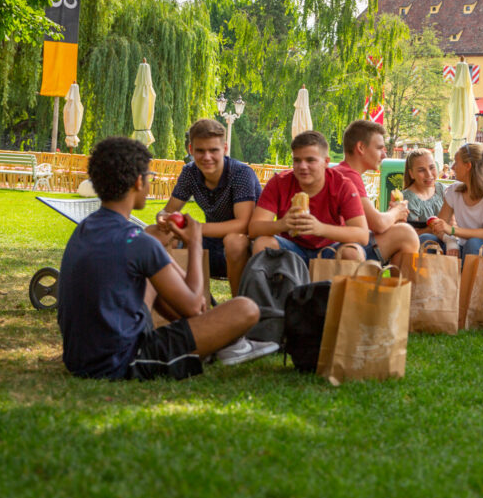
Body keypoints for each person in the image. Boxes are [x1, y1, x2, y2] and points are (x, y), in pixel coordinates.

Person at [57, 137, 274, 381]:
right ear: (139, 182)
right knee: (246, 308)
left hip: (78, 356)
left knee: (153, 272)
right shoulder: (139, 242)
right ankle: (218, 341)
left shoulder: (85, 228)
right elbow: (194, 305)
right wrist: (194, 242)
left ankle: (212, 337)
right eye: (149, 176)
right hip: (122, 360)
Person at [146, 119, 260, 297]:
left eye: (213, 150)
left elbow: (243, 224)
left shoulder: (240, 173)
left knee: (234, 241)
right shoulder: (190, 172)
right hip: (208, 242)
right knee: (154, 234)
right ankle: (177, 303)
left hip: (245, 248)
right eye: (200, 150)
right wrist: (163, 217)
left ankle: (240, 304)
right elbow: (169, 210)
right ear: (191, 150)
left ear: (224, 149)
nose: (207, 157)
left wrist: (195, 229)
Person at [249, 130, 369, 263]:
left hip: (330, 248)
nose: (302, 166)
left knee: (352, 253)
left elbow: (362, 235)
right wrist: (282, 225)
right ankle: (267, 284)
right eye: (297, 160)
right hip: (291, 247)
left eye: (310, 160)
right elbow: (254, 228)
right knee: (262, 244)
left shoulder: (342, 185)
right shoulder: (279, 182)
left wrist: (320, 228)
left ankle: (340, 284)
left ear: (326, 162)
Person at [331, 120, 419, 264]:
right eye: (379, 148)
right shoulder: (348, 175)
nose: (384, 155)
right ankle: (396, 285)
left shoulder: (340, 171)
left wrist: (392, 214)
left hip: (341, 245)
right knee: (406, 234)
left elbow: (371, 222)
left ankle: (390, 284)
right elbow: (378, 224)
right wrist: (397, 211)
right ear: (361, 147)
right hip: (342, 249)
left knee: (401, 233)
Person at [428, 143, 483, 256]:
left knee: (473, 244)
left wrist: (453, 231)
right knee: (427, 239)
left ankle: (463, 273)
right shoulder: (454, 191)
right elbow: (438, 227)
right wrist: (450, 241)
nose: (452, 167)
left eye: (456, 162)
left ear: (468, 166)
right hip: (462, 245)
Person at [400, 147, 444, 235]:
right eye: (421, 170)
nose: (429, 174)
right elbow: (412, 235)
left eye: (432, 167)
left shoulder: (443, 190)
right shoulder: (408, 199)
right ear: (411, 174)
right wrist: (437, 227)